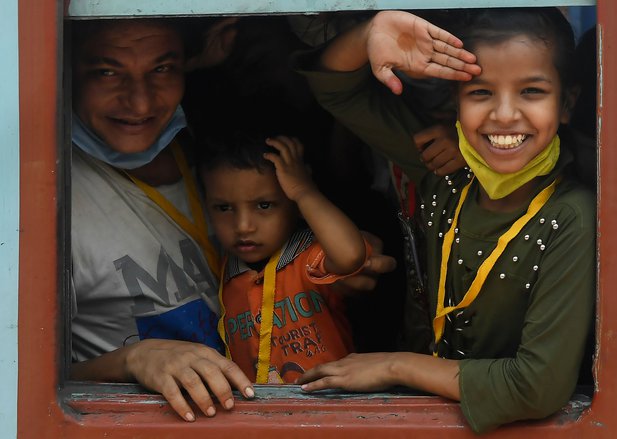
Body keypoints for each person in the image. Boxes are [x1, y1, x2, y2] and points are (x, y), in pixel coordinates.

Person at [67, 17, 399, 422]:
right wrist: (132, 360)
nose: (140, 102)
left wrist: (335, 250)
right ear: (65, 71)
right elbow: (20, 382)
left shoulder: (208, 156)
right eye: (106, 71)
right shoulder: (45, 203)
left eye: (162, 68)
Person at [295, 8, 596, 433]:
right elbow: (337, 89)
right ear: (454, 103)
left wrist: (397, 366)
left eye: (531, 91)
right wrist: (373, 31)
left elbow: (535, 387)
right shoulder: (444, 171)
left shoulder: (571, 216)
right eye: (480, 93)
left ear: (566, 103)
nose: (504, 114)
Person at [198, 132, 370, 383]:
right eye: (224, 208)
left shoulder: (308, 259)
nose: (243, 226)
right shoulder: (223, 270)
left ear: (294, 204)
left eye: (264, 205)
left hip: (330, 413)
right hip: (257, 419)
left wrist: (304, 192)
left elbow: (351, 256)